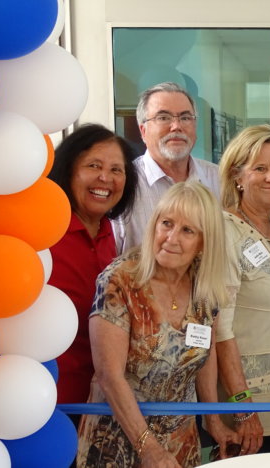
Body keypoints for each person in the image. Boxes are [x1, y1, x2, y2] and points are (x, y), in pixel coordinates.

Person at [77, 182, 238, 467]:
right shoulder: (120, 281)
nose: (171, 238)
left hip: (180, 440)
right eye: (166, 223)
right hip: (117, 440)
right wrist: (148, 448)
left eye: (187, 230)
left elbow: (205, 352)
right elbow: (109, 376)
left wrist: (213, 420)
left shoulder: (205, 284)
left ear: (204, 242)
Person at [216, 125, 270, 453]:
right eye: (260, 168)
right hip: (246, 407)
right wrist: (242, 407)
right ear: (237, 176)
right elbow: (219, 329)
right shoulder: (225, 231)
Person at [47, 124, 138, 417]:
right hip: (45, 404)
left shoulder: (109, 232)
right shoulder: (43, 234)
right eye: (93, 166)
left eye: (116, 170)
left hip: (102, 406)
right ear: (68, 169)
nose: (105, 178)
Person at [113, 82, 220, 253]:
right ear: (143, 131)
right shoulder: (124, 184)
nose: (176, 126)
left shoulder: (219, 179)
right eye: (164, 118)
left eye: (185, 118)